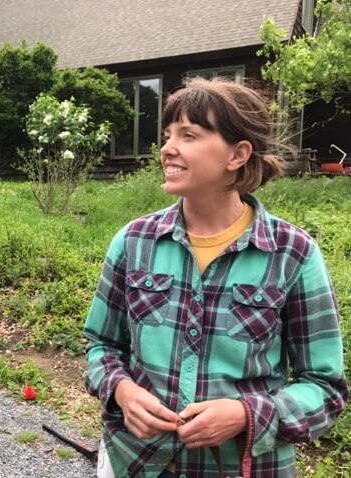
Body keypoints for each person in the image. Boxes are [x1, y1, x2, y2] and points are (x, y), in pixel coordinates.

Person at [83, 78, 348, 477]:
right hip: (134, 462)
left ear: (238, 154)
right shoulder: (133, 242)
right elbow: (102, 344)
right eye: (168, 135)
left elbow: (325, 388)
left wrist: (246, 414)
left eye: (188, 135)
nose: (167, 148)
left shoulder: (293, 254)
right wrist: (122, 390)